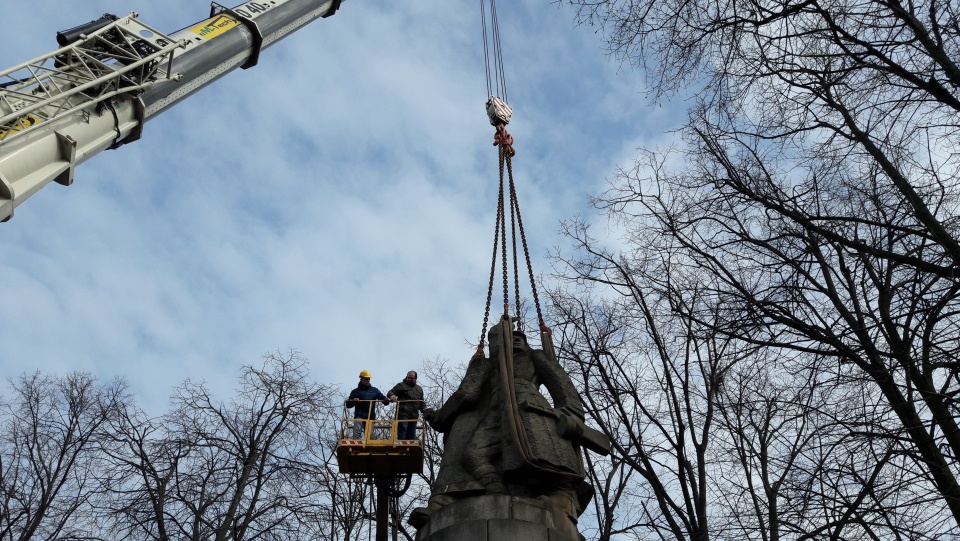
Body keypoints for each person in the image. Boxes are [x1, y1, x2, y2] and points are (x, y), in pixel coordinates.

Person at [345, 369, 389, 439]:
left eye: (369, 379)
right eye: (366, 378)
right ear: (361, 378)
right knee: (356, 436)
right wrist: (353, 400)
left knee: (369, 437)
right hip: (359, 416)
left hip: (370, 417)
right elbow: (348, 404)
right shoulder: (355, 391)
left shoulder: (375, 390)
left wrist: (386, 400)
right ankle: (356, 446)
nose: (368, 380)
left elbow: (384, 399)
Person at [387, 371, 425, 440]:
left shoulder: (419, 389)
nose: (409, 379)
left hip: (414, 415)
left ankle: (409, 448)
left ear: (415, 378)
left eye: (412, 378)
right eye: (408, 378)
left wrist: (425, 410)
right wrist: (392, 396)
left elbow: (421, 402)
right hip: (403, 412)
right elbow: (390, 392)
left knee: (411, 434)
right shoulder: (401, 385)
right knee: (402, 429)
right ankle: (401, 445)